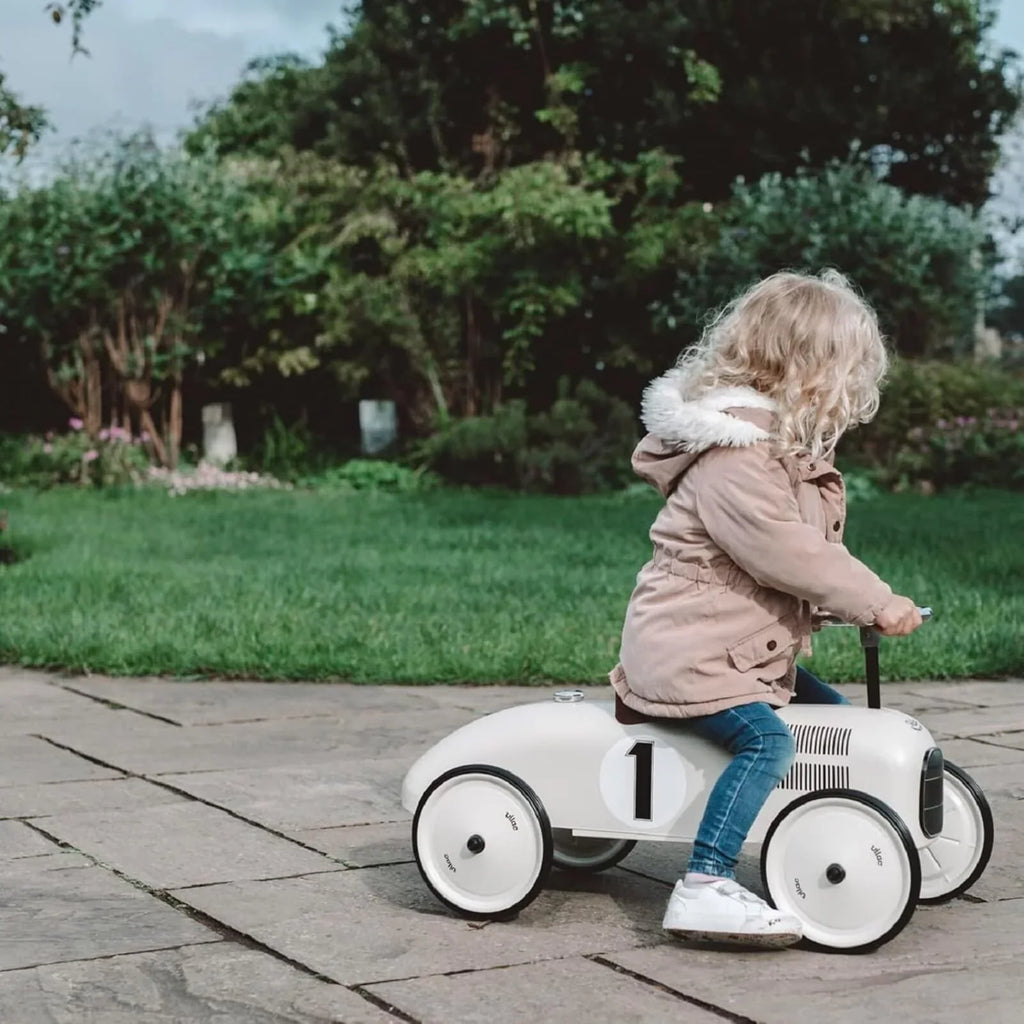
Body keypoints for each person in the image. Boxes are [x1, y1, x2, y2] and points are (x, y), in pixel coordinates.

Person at [609, 269, 923, 948]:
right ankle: (705, 883)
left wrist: (855, 607)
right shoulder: (736, 457)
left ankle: (844, 834)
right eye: (846, 372)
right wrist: (876, 598)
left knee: (833, 722)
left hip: (736, 647)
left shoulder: (774, 448)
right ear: (808, 370)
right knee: (768, 741)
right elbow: (787, 554)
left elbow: (799, 555)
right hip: (690, 652)